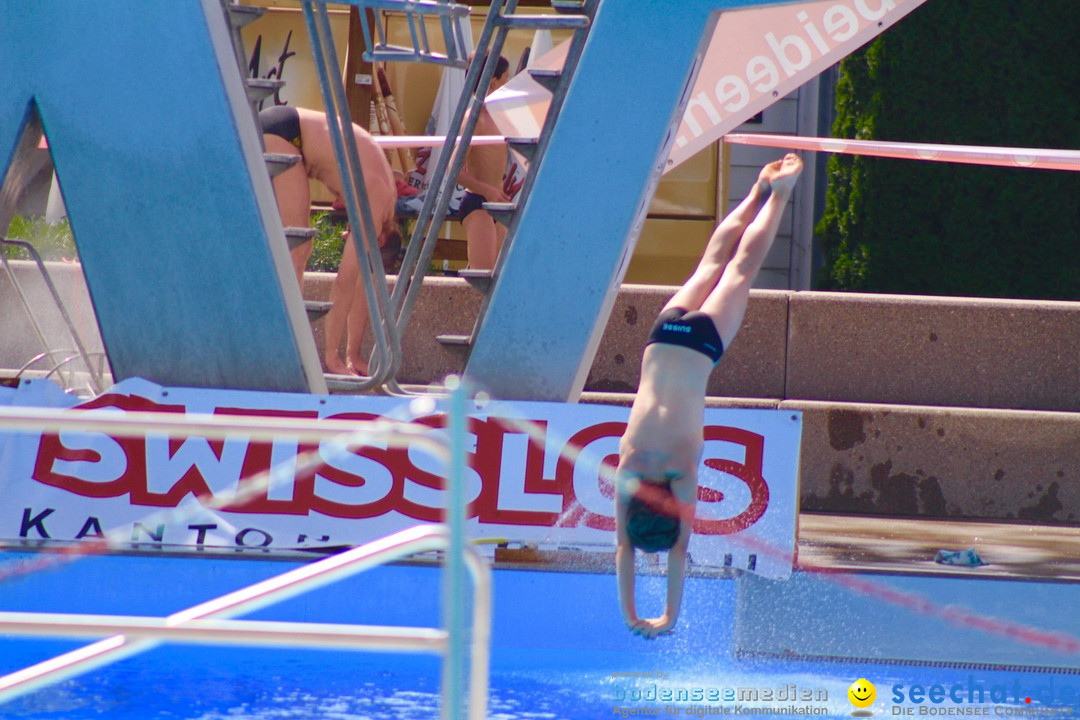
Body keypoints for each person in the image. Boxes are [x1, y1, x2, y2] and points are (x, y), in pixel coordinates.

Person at [615, 153, 803, 639]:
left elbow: (677, 552)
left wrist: (668, 617)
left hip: (702, 346)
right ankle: (756, 191)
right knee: (712, 261)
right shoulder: (628, 470)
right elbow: (622, 551)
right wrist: (633, 615)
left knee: (740, 269)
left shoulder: (681, 471)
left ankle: (778, 197)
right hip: (663, 334)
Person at [259, 106, 400, 376]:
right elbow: (345, 283)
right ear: (380, 241)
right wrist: (332, 357)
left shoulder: (382, 199)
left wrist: (353, 354)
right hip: (287, 133)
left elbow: (363, 284)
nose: (349, 237)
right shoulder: (375, 204)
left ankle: (287, 341)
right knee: (298, 246)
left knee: (297, 245)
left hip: (290, 126)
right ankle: (285, 347)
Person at [456, 53, 511, 271]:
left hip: (496, 202)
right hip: (478, 203)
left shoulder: (500, 116)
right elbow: (452, 169)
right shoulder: (474, 118)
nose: (510, 83)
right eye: (507, 78)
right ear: (493, 82)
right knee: (482, 282)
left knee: (496, 281)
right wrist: (487, 190)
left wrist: (497, 189)